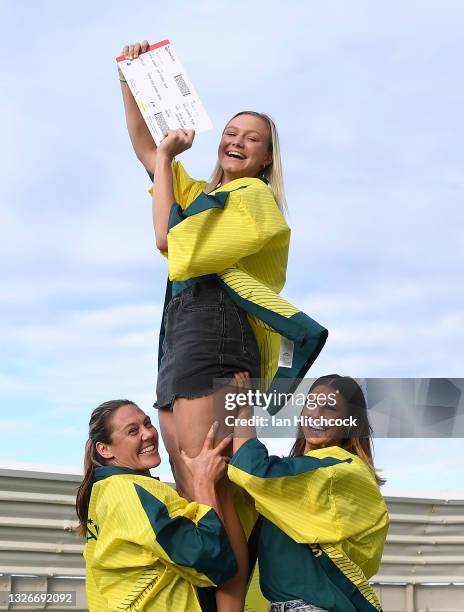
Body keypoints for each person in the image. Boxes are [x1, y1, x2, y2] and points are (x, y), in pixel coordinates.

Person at [118, 40, 328, 611]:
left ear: (265, 159)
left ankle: (230, 608)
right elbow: (145, 149)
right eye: (231, 131)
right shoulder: (204, 195)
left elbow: (167, 238)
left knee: (215, 483)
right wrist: (131, 79)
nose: (235, 139)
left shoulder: (254, 201)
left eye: (251, 137)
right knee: (193, 485)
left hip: (217, 339)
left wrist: (166, 160)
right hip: (179, 343)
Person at [229, 374, 389, 612]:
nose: (316, 414)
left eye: (330, 408)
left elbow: (254, 472)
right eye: (311, 403)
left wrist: (243, 411)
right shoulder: (293, 481)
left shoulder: (340, 470)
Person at [76, 399, 238, 612]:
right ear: (105, 449)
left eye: (148, 423)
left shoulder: (108, 492)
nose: (149, 434)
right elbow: (211, 561)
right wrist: (204, 482)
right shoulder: (127, 493)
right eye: (133, 431)